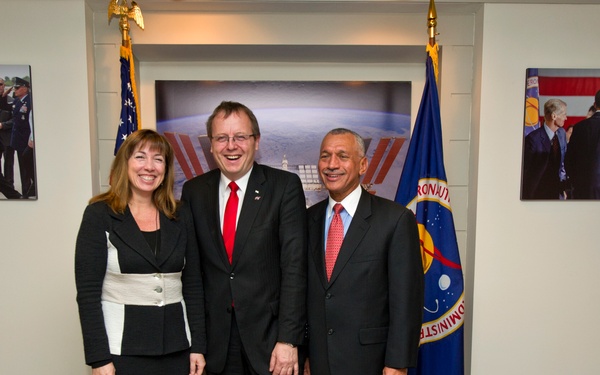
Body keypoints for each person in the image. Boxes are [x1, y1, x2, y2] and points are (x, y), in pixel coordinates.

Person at [181, 101, 307, 375]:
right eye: (222, 138)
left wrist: (288, 339)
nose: (231, 146)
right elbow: (193, 275)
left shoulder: (284, 187)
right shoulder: (194, 192)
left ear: (256, 141)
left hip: (271, 341)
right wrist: (197, 345)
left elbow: (295, 269)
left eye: (240, 137)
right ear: (211, 145)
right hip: (215, 344)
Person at [75, 129, 206, 375]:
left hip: (178, 351)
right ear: (125, 163)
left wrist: (198, 346)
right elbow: (88, 295)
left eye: (158, 159)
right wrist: (99, 359)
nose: (149, 166)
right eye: (140, 157)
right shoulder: (99, 215)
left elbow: (193, 285)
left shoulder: (180, 214)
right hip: (121, 352)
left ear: (165, 169)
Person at [305, 128, 424, 375]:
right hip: (317, 361)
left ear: (362, 165)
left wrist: (397, 363)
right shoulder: (306, 220)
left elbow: (406, 300)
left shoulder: (395, 219)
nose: (331, 164)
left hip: (371, 362)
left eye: (342, 156)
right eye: (325, 156)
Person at [522, 98, 568, 199]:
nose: (566, 118)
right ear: (554, 116)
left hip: (558, 192)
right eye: (564, 114)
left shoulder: (562, 133)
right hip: (539, 193)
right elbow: (527, 172)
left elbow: (564, 162)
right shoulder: (533, 139)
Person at [565, 90, 600, 199]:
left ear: (594, 105)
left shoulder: (579, 127)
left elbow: (569, 160)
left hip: (583, 188)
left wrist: (577, 182)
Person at [6, 77, 35, 197]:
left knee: (26, 169)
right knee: (22, 167)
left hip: (26, 140)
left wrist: (31, 138)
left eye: (17, 88)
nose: (15, 90)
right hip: (18, 140)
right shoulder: (17, 101)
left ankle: (28, 192)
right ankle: (26, 192)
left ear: (25, 88)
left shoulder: (29, 102)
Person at [0, 78, 15, 188]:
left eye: (0, 84)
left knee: (9, 162)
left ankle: (9, 184)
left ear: (4, 85)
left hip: (7, 136)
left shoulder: (11, 100)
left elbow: (15, 119)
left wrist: (3, 125)